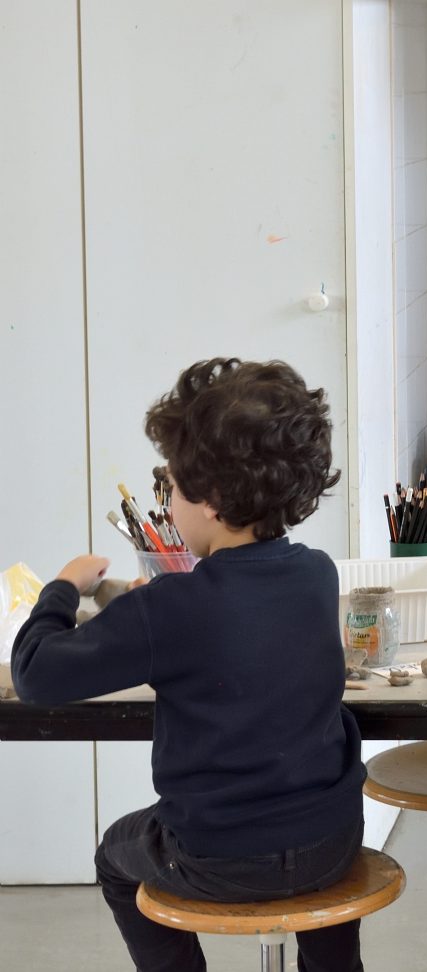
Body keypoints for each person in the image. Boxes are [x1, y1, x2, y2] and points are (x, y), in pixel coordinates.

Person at [10, 359, 365, 972]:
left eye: (171, 485)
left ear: (214, 499)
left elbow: (35, 672)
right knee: (315, 877)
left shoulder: (171, 608)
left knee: (114, 857)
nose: (168, 500)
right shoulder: (317, 573)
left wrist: (63, 588)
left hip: (219, 855)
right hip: (331, 841)